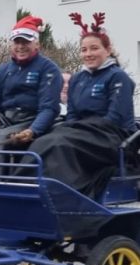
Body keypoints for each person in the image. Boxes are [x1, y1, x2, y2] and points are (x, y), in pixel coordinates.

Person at [19, 12, 136, 198]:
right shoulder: (78, 79)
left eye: (94, 48)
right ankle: (26, 188)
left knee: (60, 144)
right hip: (82, 132)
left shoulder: (118, 77)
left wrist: (75, 129)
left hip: (113, 138)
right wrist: (72, 128)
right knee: (43, 141)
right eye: (84, 50)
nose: (88, 54)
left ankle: (67, 196)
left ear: (107, 50)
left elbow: (114, 118)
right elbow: (72, 115)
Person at [0, 15, 63, 175]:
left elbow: (48, 108)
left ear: (37, 44)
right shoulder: (3, 70)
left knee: (3, 140)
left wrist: (33, 130)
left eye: (26, 42)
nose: (20, 46)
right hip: (5, 123)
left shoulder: (48, 69)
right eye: (17, 42)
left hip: (30, 122)